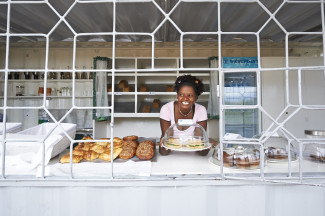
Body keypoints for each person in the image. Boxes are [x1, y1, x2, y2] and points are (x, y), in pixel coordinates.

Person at [159, 74, 209, 156]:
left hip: (193, 157)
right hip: (172, 156)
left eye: (190, 95)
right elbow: (166, 149)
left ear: (196, 97)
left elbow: (200, 148)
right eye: (181, 95)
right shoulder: (166, 109)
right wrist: (163, 143)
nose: (185, 98)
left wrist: (205, 146)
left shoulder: (201, 110)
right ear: (177, 95)